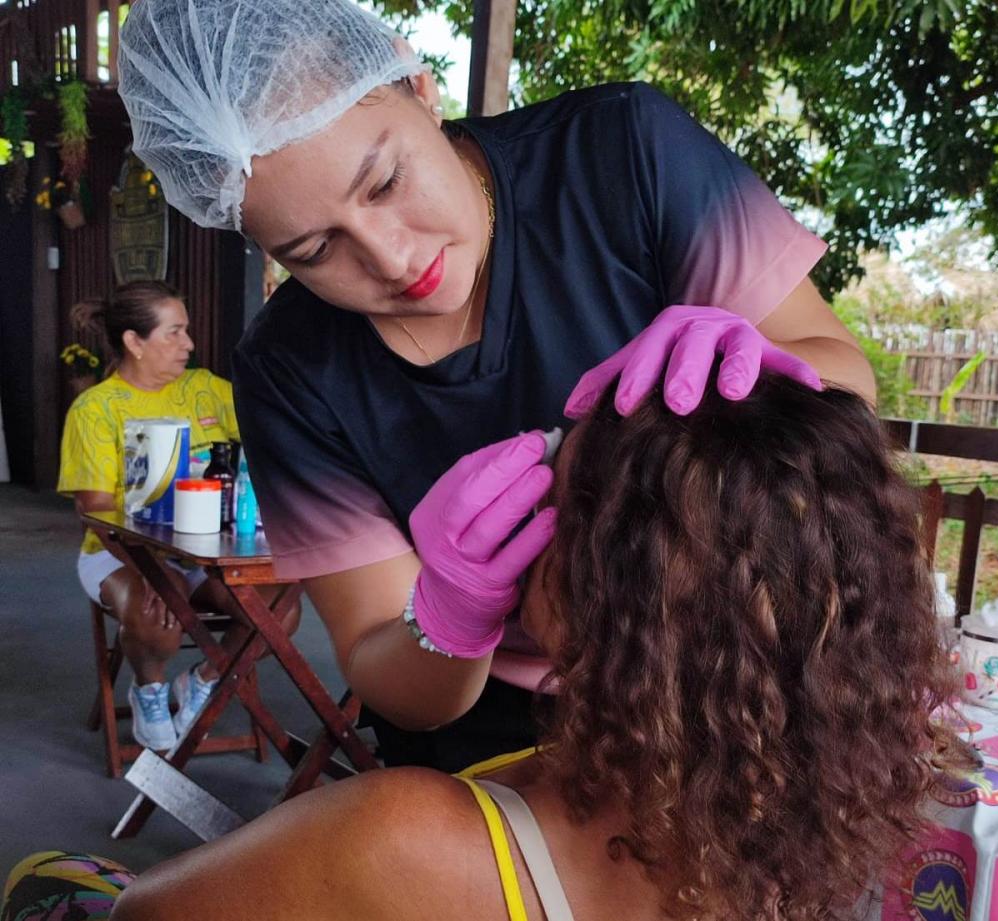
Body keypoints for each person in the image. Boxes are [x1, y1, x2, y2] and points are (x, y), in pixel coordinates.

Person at [116, 0, 877, 770]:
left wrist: (782, 380)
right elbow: (384, 662)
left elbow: (850, 391)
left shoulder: (622, 152)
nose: (391, 258)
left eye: (384, 182)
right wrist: (447, 617)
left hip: (722, 661)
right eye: (314, 250)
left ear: (416, 84)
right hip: (491, 719)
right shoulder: (288, 368)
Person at [14, 370, 959, 921]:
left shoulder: (405, 836)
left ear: (590, 603)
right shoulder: (821, 820)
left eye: (551, 495)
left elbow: (143, 915)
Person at [58, 281, 301, 751]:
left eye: (186, 331)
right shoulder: (97, 409)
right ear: (135, 341)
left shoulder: (205, 390)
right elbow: (95, 510)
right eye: (174, 332)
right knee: (156, 612)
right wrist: (145, 567)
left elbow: (272, 427)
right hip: (116, 553)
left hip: (203, 554)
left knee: (281, 612)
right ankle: (149, 689)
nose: (188, 343)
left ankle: (206, 678)